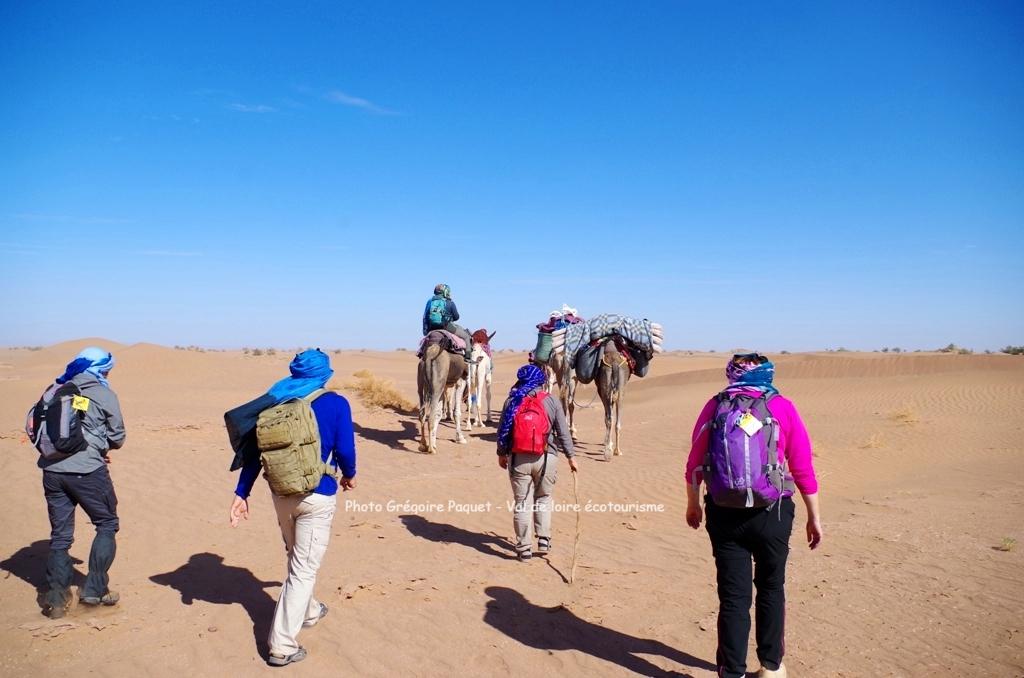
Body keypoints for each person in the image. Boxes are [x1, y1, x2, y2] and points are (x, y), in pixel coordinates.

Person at [684, 353, 822, 678]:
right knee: (772, 589)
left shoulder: (716, 405)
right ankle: (771, 667)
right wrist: (814, 516)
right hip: (773, 515)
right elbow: (802, 466)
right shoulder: (782, 406)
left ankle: (732, 671)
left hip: (724, 513)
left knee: (733, 597)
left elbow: (694, 464)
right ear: (767, 374)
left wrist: (693, 504)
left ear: (732, 374)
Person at [229, 349, 357, 667]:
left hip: (281, 495)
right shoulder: (336, 403)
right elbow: (345, 449)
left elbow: (257, 452)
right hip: (318, 496)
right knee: (303, 568)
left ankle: (310, 610)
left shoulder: (276, 401)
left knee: (298, 558)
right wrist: (349, 475)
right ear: (325, 374)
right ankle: (282, 646)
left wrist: (241, 493)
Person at [39, 346, 126, 619]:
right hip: (88, 472)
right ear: (100, 369)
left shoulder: (55, 390)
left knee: (61, 536)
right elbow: (118, 436)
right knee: (107, 523)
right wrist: (100, 448)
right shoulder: (102, 393)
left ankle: (55, 599)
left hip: (52, 473)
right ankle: (94, 589)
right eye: (108, 368)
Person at [496, 364, 578, 560]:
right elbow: (563, 433)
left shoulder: (512, 400)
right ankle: (543, 538)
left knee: (522, 503)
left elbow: (503, 432)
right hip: (547, 458)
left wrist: (501, 453)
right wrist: (571, 457)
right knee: (543, 498)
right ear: (541, 380)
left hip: (518, 459)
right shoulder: (551, 401)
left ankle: (524, 549)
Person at [422, 283, 473, 362]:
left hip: (431, 328)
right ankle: (468, 357)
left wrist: (426, 330)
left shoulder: (429, 302)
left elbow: (425, 316)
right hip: (446, 326)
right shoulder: (449, 302)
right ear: (445, 292)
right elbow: (457, 317)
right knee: (466, 336)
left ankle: (421, 353)